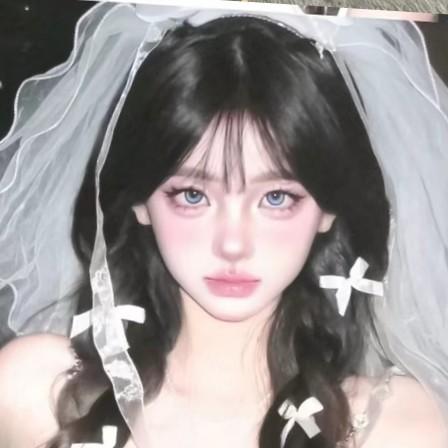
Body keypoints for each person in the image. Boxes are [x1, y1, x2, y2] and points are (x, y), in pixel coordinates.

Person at [0, 2, 446, 448]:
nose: (233, 244)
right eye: (193, 195)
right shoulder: (35, 394)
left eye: (276, 198)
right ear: (139, 200)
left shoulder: (396, 427)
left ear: (327, 208)